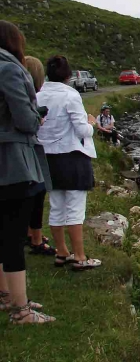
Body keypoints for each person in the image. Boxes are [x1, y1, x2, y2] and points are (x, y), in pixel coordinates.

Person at [0, 20, 55, 324]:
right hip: (12, 160)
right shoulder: (9, 68)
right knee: (13, 232)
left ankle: (5, 295)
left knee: (3, 231)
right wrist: (37, 119)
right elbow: (24, 119)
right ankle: (21, 310)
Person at [37, 55, 101, 271]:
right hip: (72, 157)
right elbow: (82, 130)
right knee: (74, 208)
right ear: (68, 75)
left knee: (56, 207)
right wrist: (92, 123)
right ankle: (80, 256)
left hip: (48, 158)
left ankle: (62, 251)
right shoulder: (70, 96)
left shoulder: (38, 95)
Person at [23, 55, 56, 256]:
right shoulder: (27, 96)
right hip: (28, 151)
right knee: (36, 192)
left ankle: (30, 233)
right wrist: (38, 120)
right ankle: (35, 239)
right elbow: (27, 124)